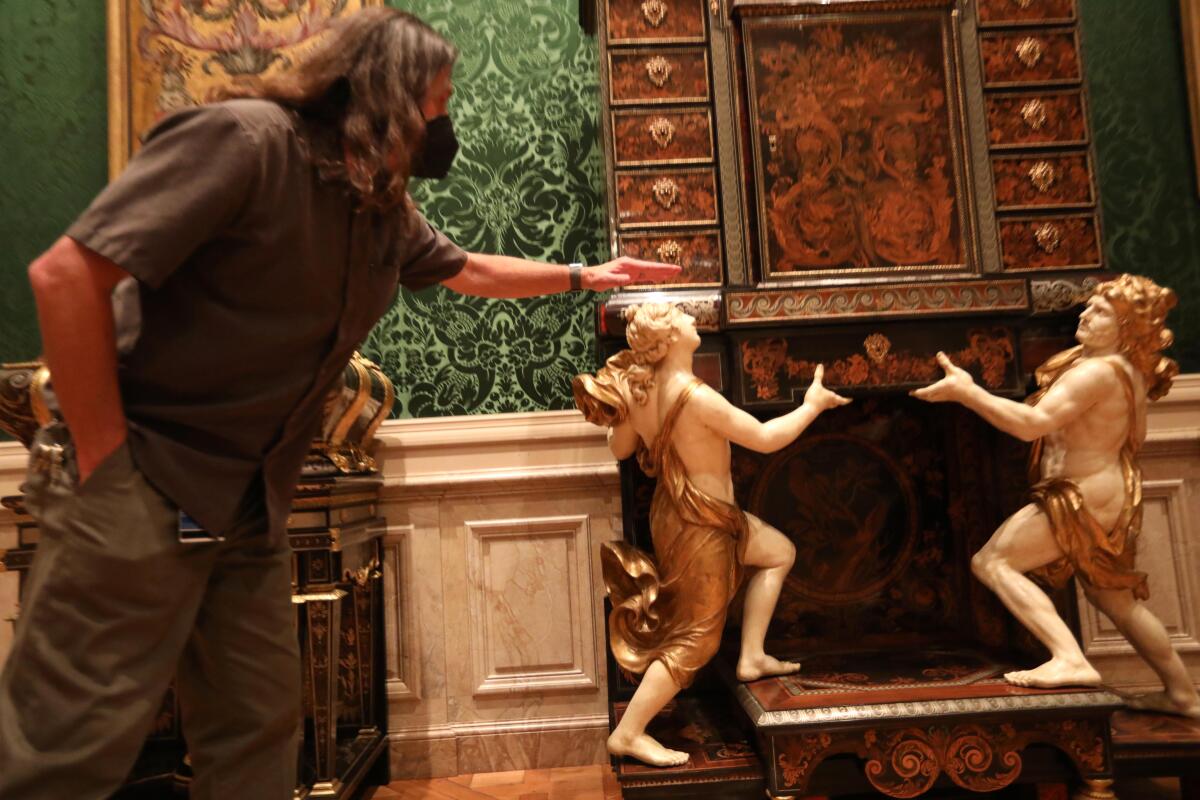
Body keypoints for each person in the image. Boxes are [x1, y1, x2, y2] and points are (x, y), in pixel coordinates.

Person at [0, 8, 679, 799]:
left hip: (244, 507)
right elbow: (65, 276)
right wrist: (105, 462)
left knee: (256, 733)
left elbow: (469, 271)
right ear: (389, 93)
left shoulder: (379, 210)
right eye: (440, 101)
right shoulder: (246, 141)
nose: (445, 124)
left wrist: (582, 275)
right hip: (140, 481)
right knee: (65, 749)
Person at [573, 303, 850, 767]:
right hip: (700, 525)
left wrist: (627, 409)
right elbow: (763, 438)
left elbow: (621, 448)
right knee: (696, 640)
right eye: (681, 317)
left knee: (779, 551)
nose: (690, 319)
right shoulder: (694, 395)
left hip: (692, 514)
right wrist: (811, 405)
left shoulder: (641, 390)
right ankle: (628, 732)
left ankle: (753, 657)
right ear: (669, 339)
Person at [913, 274, 1200, 718]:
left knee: (991, 562)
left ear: (1125, 327)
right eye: (1089, 307)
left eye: (1101, 311)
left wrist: (968, 392)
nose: (1084, 314)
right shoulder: (1121, 369)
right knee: (1116, 603)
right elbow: (1133, 438)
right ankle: (1183, 694)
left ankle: (1070, 658)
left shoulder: (1098, 373)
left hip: (1082, 495)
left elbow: (1032, 425)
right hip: (1105, 491)